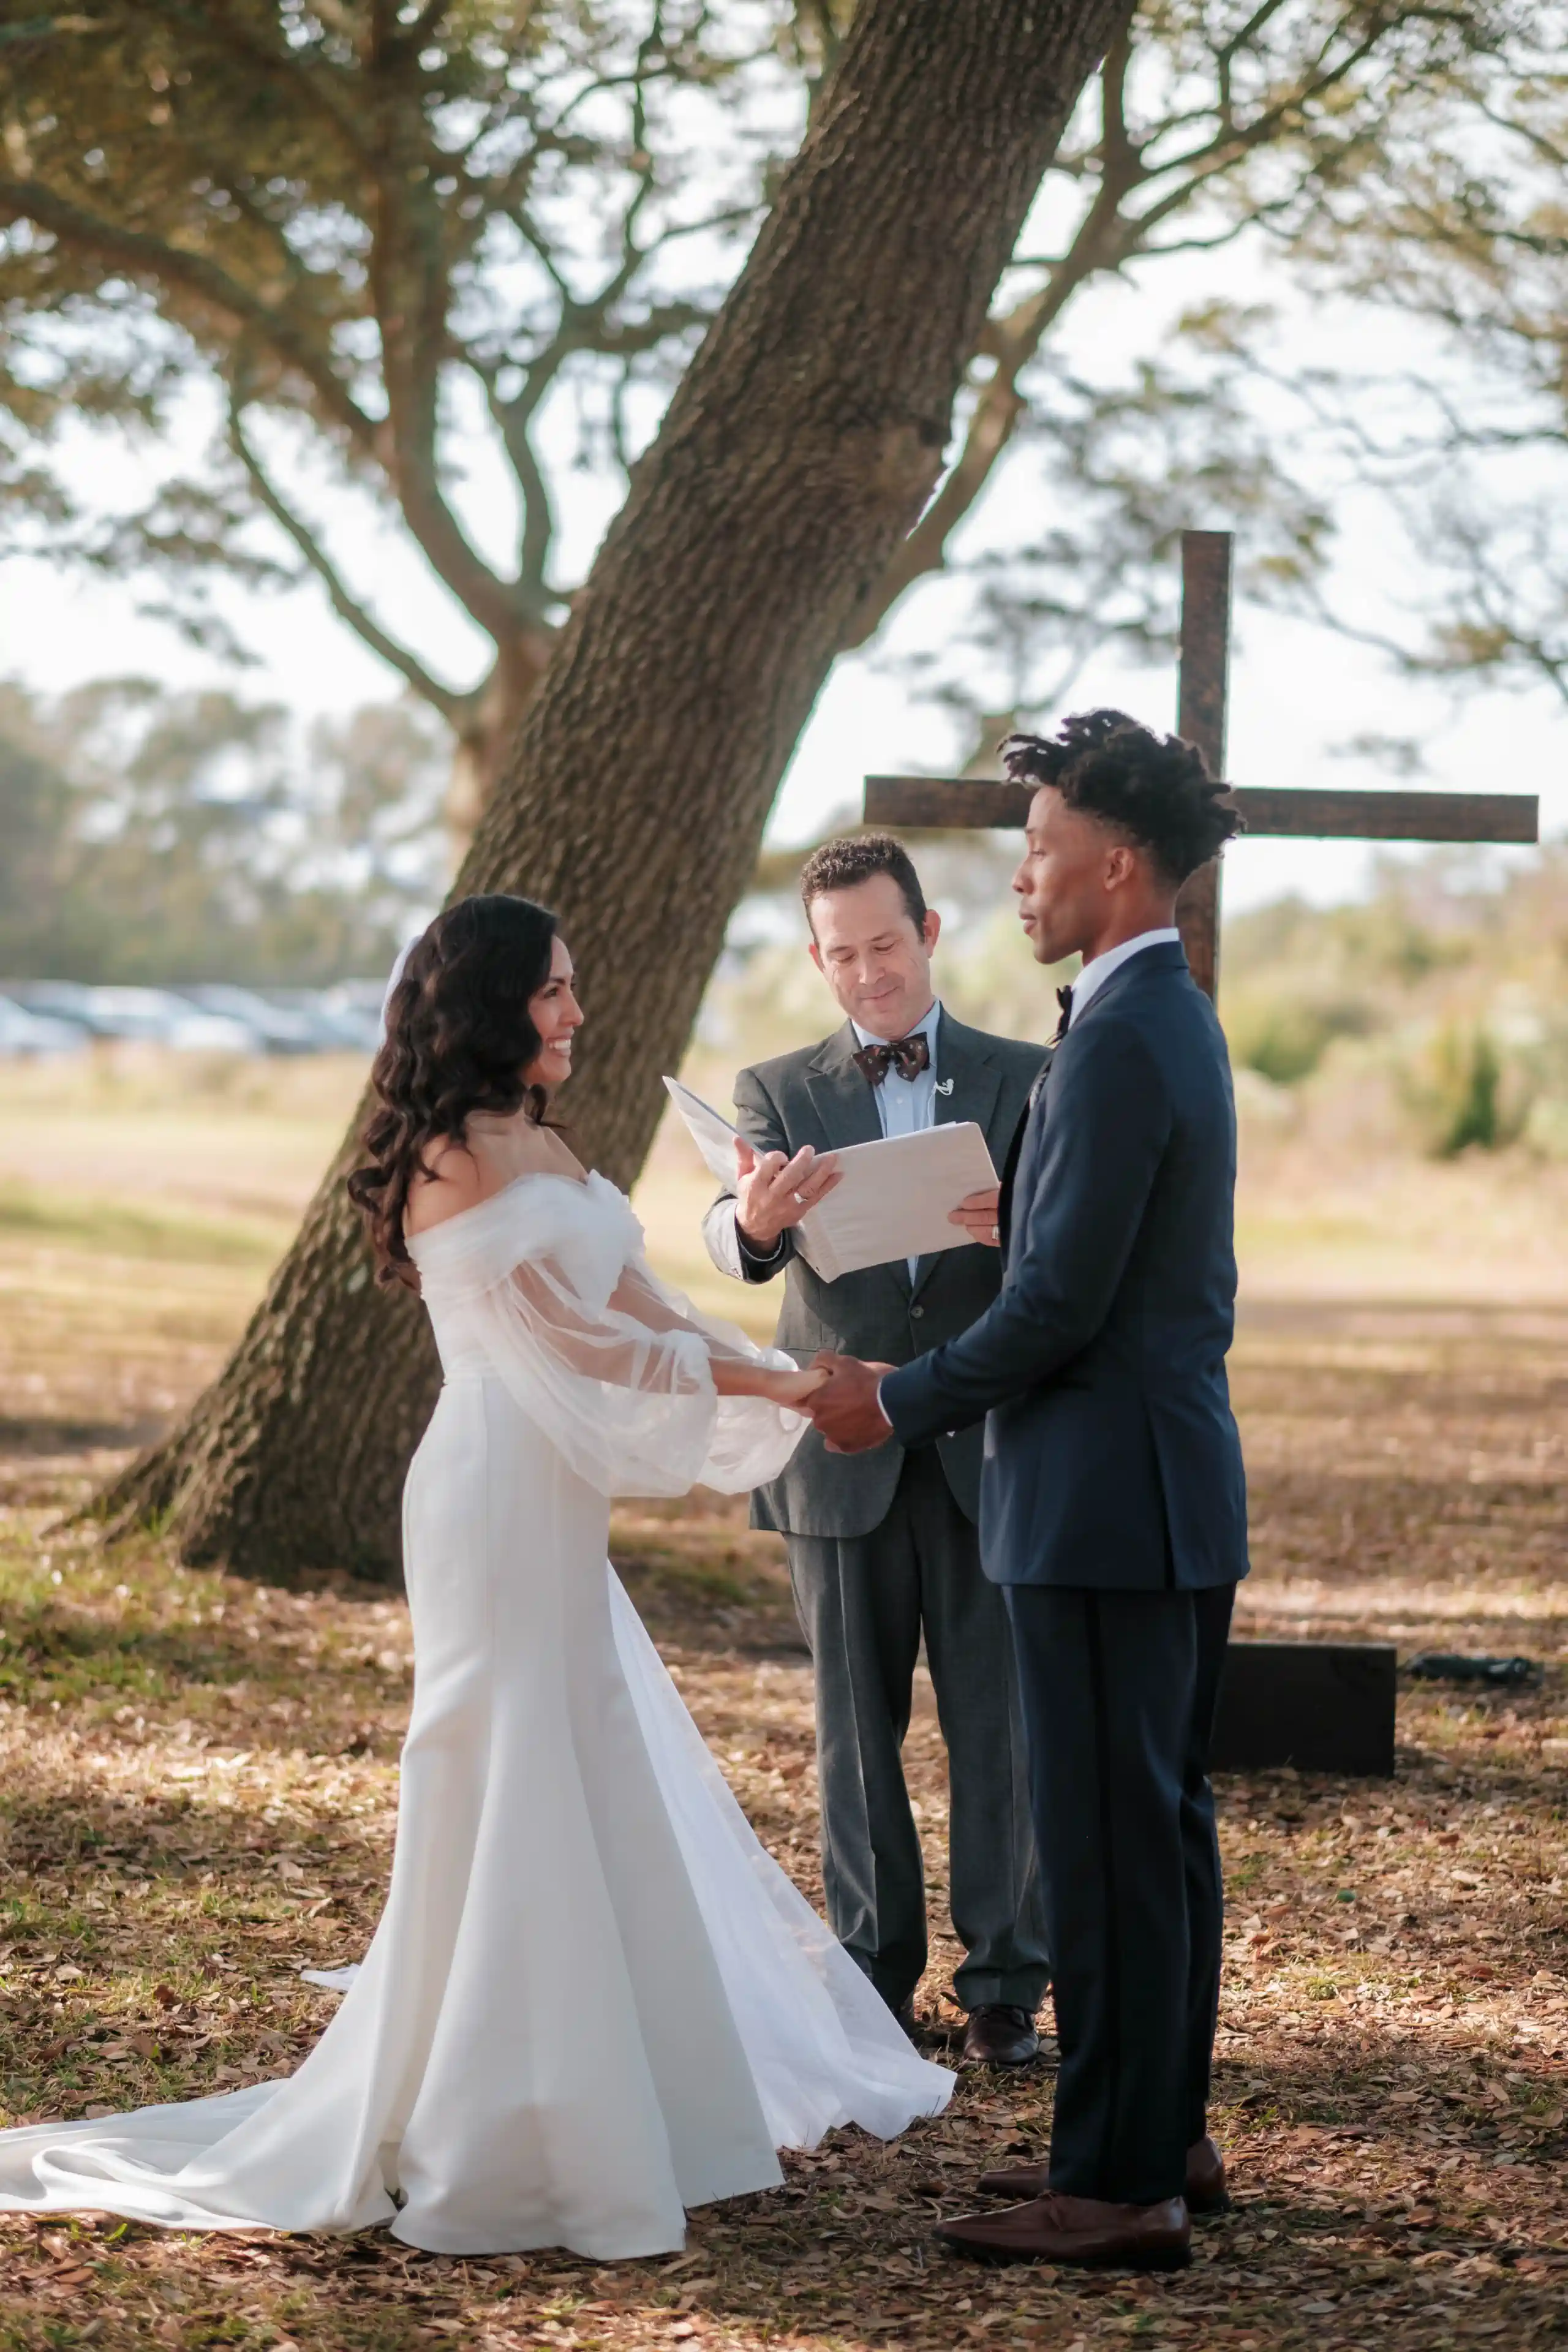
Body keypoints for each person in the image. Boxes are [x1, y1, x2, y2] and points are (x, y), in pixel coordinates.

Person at [0, 894, 951, 2257]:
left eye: (570, 990)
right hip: (490, 1487)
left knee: (582, 1752)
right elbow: (576, 1348)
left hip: (548, 1498)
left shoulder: (542, 1141)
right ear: (488, 1002)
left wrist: (775, 1371)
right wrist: (789, 1378)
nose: (573, 1014)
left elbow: (640, 1309)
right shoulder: (448, 1158)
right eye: (552, 992)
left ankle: (615, 2089)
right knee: (508, 1770)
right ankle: (502, 2113)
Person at [808, 714, 1249, 2272]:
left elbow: (1061, 1310)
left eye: (1041, 846)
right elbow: (1110, 1269)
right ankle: (1165, 2131)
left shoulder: (1126, 1033)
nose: (1021, 876)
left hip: (1101, 1507)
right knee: (1155, 1833)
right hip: (1153, 1494)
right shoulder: (1148, 1018)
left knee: (1110, 1846)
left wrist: (896, 1399)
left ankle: (1114, 2181)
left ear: (1115, 866)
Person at [703, 835, 1051, 2065]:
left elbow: (1075, 1249)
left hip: (979, 1443)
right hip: (836, 1447)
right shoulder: (775, 1088)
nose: (866, 973)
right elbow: (725, 1231)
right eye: (840, 953)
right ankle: (868, 1979)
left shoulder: (1028, 1076)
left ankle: (1004, 1983)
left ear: (929, 934)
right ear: (814, 956)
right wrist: (745, 1227)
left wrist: (1032, 1220)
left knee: (995, 1727)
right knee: (853, 1733)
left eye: (884, 945)